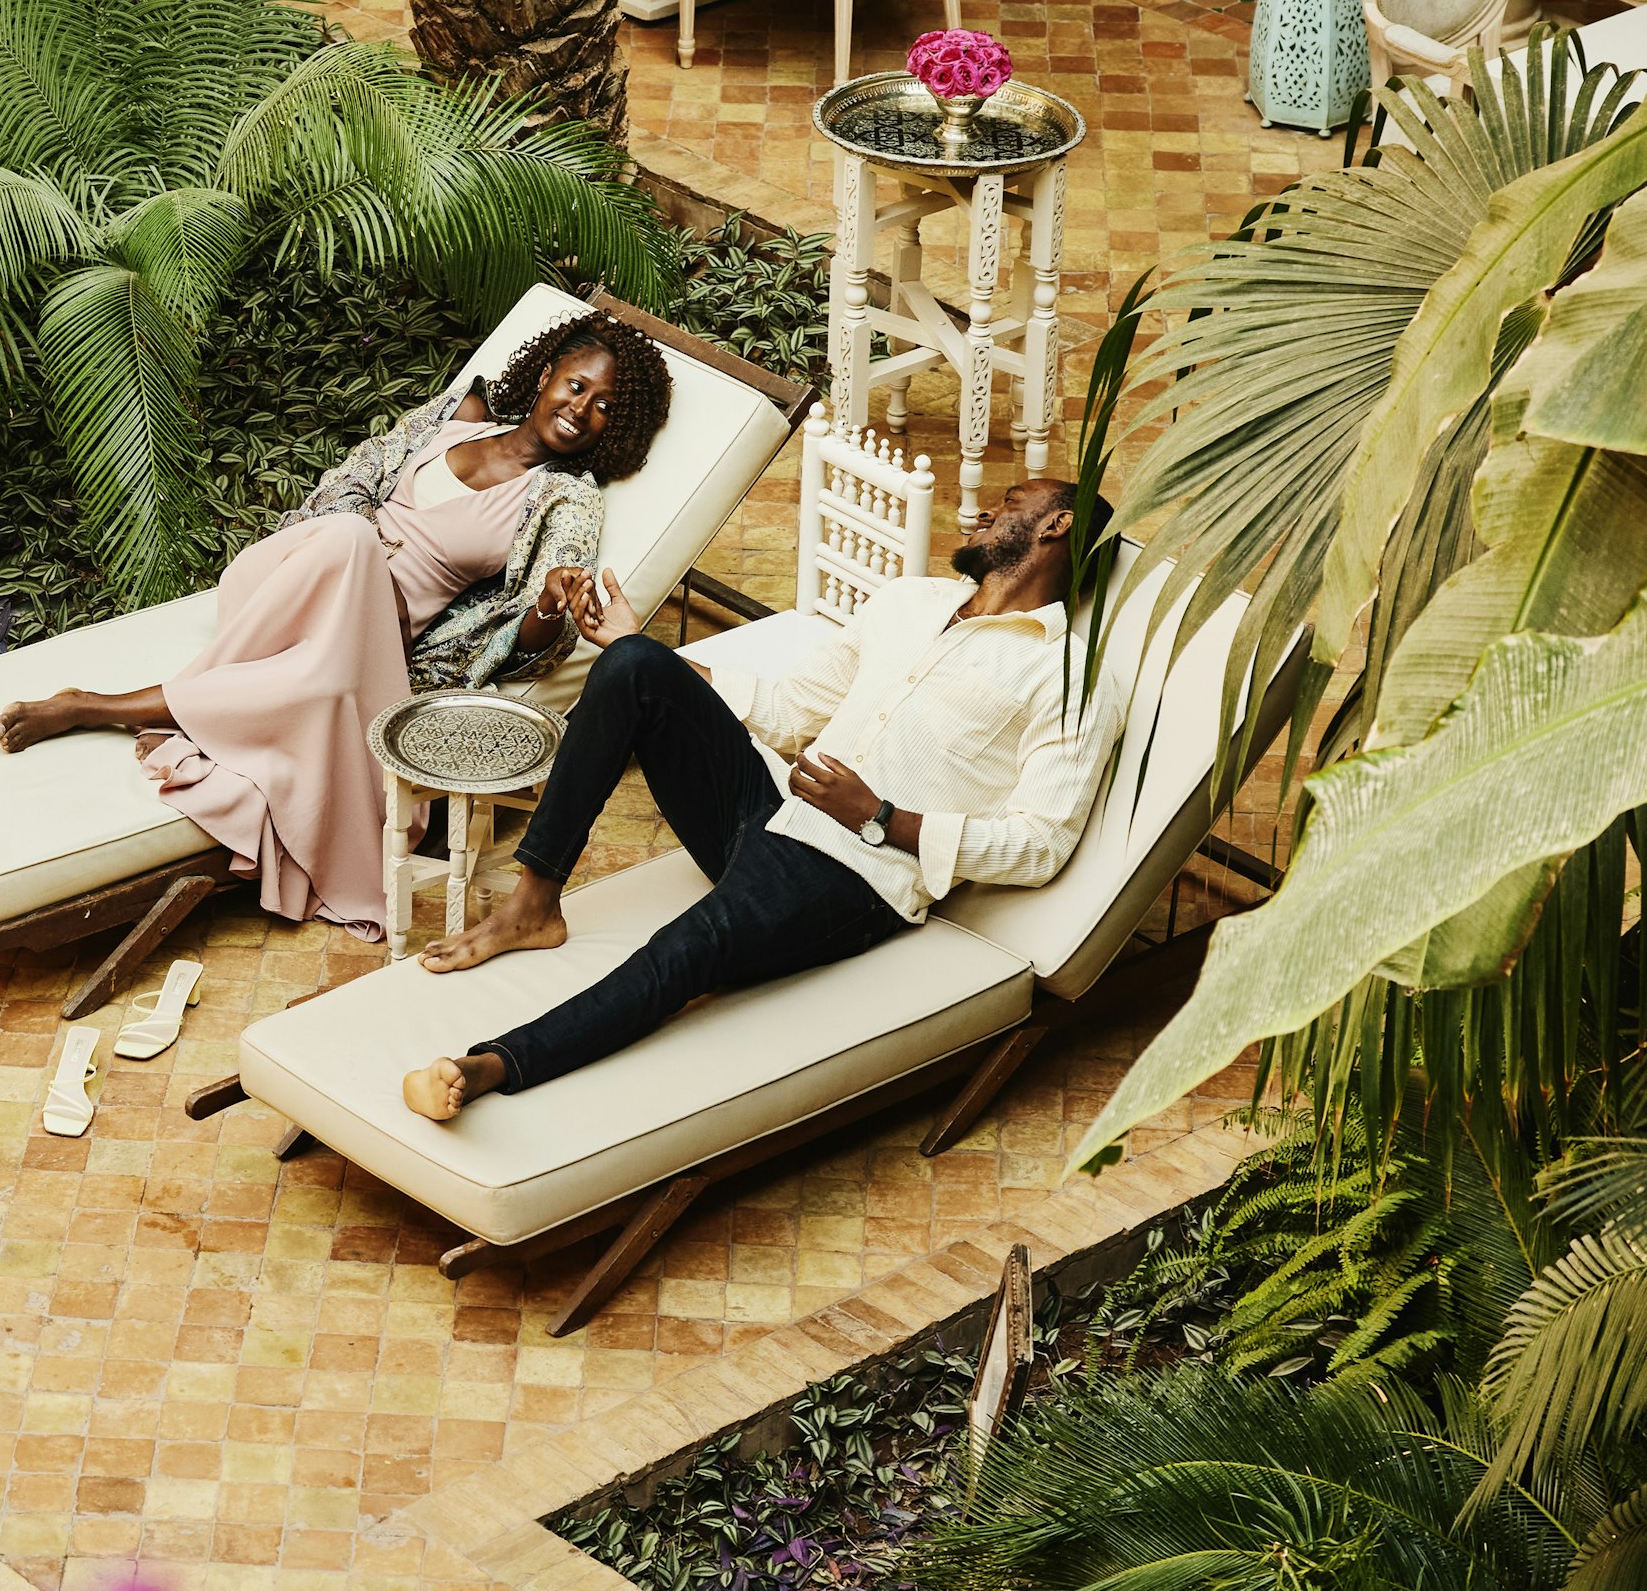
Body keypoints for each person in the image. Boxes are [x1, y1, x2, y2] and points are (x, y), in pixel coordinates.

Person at [401, 474, 1123, 1120]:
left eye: (1009, 505)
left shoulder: (1070, 680)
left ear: (1055, 528)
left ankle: (492, 1064)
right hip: (769, 806)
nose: (985, 513)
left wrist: (878, 817)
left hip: (853, 876)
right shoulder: (910, 602)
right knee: (632, 665)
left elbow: (1039, 844)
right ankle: (534, 905)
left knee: (686, 951)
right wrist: (642, 653)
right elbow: (786, 709)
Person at [0, 314, 676, 934]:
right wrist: (356, 545)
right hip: (290, 580)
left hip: (368, 640)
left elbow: (527, 646)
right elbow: (349, 483)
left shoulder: (564, 500)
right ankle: (121, 704)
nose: (583, 408)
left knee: (322, 679)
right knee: (349, 538)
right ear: (547, 374)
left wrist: (551, 603)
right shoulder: (461, 416)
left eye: (604, 407)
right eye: (578, 386)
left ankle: (94, 705)